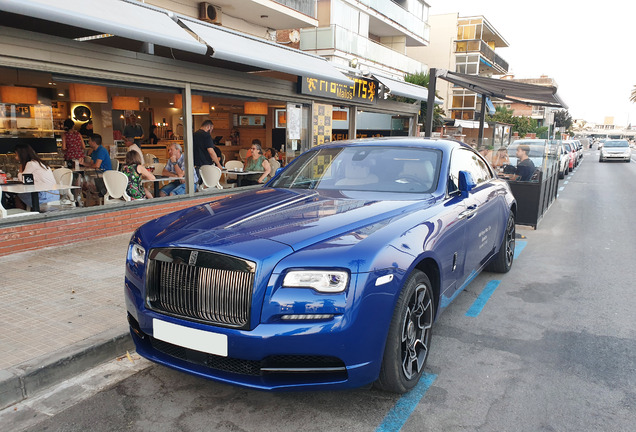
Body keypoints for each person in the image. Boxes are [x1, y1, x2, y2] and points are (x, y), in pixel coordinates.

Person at [14, 143, 58, 209]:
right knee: (21, 195)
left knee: (17, 196)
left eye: (16, 154)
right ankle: (30, 212)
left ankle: (25, 215)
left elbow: (23, 180)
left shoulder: (31, 164)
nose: (15, 157)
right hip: (54, 193)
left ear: (22, 154)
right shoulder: (39, 162)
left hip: (46, 195)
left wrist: (20, 171)